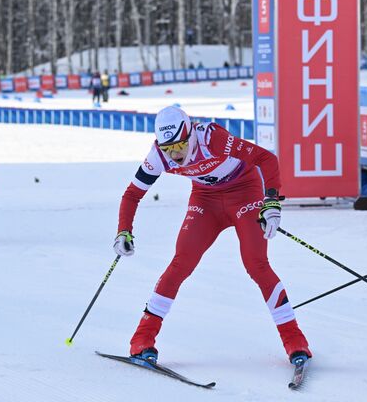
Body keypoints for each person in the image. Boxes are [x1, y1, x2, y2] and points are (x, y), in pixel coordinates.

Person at [113, 106, 311, 365]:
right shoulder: (159, 156)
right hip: (205, 201)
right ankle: (142, 340)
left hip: (244, 192)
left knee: (256, 264)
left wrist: (271, 202)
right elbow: (132, 195)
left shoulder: (213, 139)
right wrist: (123, 231)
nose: (176, 155)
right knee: (180, 263)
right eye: (168, 149)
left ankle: (295, 341)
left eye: (180, 146)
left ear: (190, 135)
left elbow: (267, 159)